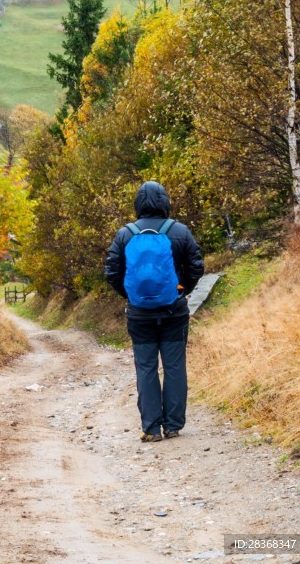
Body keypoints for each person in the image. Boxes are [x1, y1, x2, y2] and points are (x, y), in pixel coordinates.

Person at [104, 181, 205, 442]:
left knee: (146, 368)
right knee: (174, 367)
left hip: (139, 315)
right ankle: (173, 426)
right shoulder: (180, 231)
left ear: (138, 203)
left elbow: (112, 272)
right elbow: (196, 267)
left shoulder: (125, 234)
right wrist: (181, 291)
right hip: (175, 312)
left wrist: (131, 295)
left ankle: (151, 429)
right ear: (164, 201)